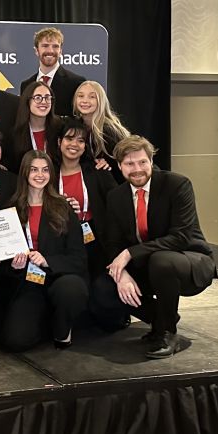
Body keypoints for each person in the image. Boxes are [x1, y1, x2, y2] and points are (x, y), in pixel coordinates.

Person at [91, 136, 216, 359]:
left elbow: (181, 236)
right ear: (119, 166)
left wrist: (131, 253)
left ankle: (167, 333)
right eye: (129, 164)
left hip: (188, 260)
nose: (137, 169)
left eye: (142, 162)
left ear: (151, 161)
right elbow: (113, 243)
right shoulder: (116, 196)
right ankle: (162, 318)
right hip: (148, 265)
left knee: (162, 260)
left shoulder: (177, 184)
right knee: (104, 286)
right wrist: (123, 275)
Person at [2, 151, 88, 352]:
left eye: (45, 169)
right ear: (24, 173)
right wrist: (14, 266)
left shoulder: (63, 207)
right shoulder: (11, 209)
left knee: (72, 289)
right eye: (33, 170)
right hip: (28, 282)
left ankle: (62, 327)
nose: (39, 174)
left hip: (59, 278)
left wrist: (47, 260)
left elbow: (79, 258)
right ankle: (45, 319)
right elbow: (3, 262)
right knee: (16, 340)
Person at [54, 117, 117, 281]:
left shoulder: (98, 170)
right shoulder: (48, 175)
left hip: (95, 240)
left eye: (80, 141)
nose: (74, 144)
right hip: (62, 242)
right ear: (59, 142)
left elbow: (117, 204)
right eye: (69, 138)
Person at [20, 27, 86, 117]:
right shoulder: (26, 85)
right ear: (36, 50)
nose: (50, 51)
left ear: (61, 51)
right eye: (45, 46)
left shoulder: (76, 82)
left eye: (55, 46)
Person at [73, 80, 131, 182]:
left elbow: (126, 163)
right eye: (80, 96)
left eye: (92, 97)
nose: (85, 100)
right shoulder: (76, 126)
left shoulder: (108, 130)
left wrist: (109, 164)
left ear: (101, 101)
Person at [11, 81, 62, 173]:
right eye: (37, 98)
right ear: (27, 101)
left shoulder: (60, 128)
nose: (43, 102)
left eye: (47, 98)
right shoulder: (15, 132)